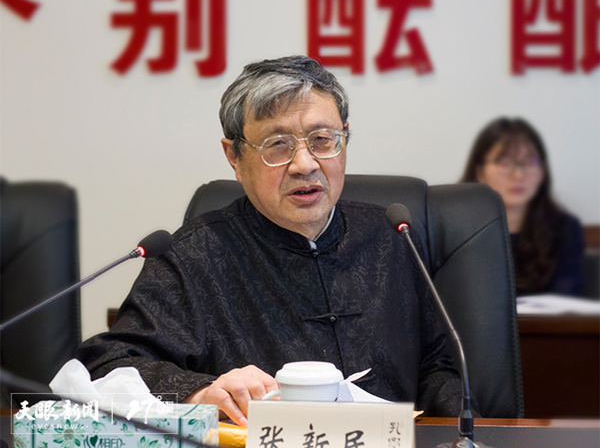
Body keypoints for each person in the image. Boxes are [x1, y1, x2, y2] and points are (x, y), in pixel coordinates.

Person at [77, 55, 463, 427]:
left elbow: (439, 367)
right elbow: (109, 364)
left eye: (322, 139)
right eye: (278, 144)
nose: (305, 164)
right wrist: (201, 393)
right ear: (234, 157)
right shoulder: (192, 256)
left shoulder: (392, 236)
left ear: (344, 138)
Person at [460, 117, 585, 296]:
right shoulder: (456, 229)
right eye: (504, 163)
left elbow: (568, 298)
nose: (518, 175)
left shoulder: (564, 228)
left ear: (542, 172)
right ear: (480, 172)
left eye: (529, 162)